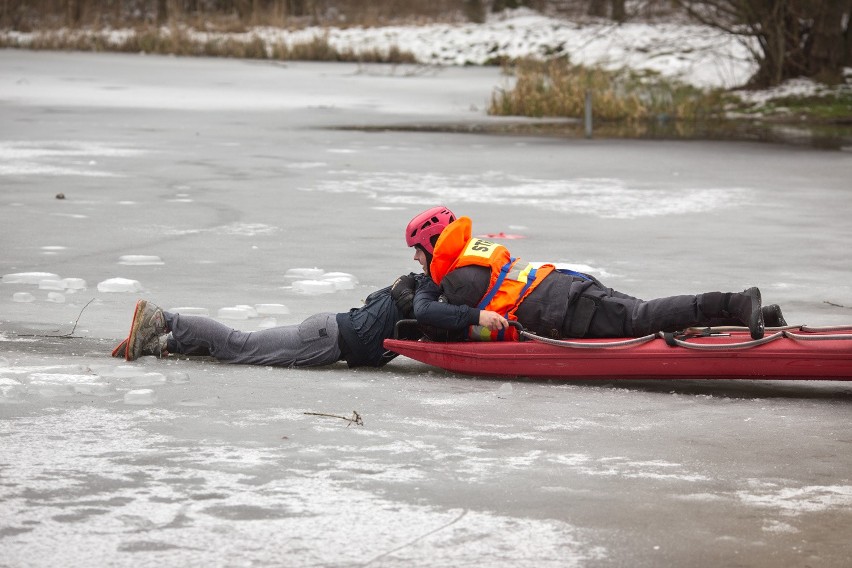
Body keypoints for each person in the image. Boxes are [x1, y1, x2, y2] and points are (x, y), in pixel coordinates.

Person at [406, 207, 788, 342]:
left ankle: (735, 302)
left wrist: (421, 293)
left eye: (418, 254)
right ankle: (755, 317)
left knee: (645, 318)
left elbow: (432, 318)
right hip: (569, 287)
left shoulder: (457, 279)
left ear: (432, 245)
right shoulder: (476, 252)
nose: (418, 262)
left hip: (568, 310)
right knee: (647, 315)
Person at [115, 271, 486, 367]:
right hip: (325, 339)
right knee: (238, 346)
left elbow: (378, 299)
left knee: (239, 348)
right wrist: (476, 318)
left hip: (327, 330)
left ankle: (163, 343)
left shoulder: (415, 286)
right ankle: (163, 320)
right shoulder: (426, 293)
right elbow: (427, 314)